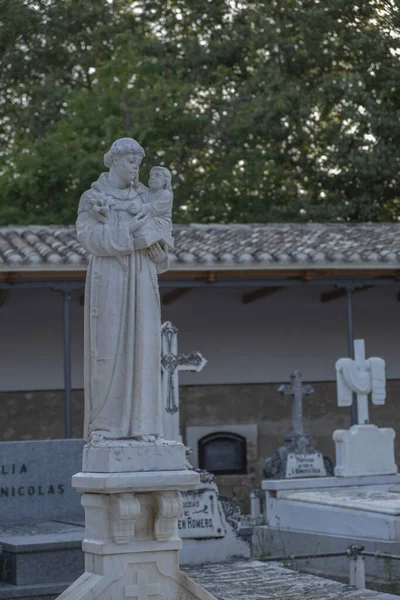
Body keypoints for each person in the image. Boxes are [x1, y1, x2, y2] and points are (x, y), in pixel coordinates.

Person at [76, 138, 173, 443]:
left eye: (138, 161)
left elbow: (162, 237)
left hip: (143, 274)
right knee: (108, 349)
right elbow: (87, 236)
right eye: (131, 159)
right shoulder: (94, 197)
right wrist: (127, 232)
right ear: (114, 160)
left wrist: (161, 256)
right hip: (111, 277)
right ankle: (105, 426)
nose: (136, 166)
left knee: (145, 345)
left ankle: (144, 426)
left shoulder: (147, 197)